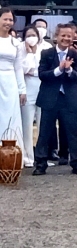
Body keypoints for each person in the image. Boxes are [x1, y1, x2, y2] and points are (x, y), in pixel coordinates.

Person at [32, 24, 77, 175]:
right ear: (56, 36)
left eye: (69, 36)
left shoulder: (76, 55)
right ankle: (41, 163)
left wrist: (69, 70)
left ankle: (76, 162)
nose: (66, 38)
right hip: (50, 97)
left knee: (73, 131)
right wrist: (59, 70)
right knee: (45, 131)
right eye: (63, 35)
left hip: (69, 97)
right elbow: (42, 74)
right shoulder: (47, 53)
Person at [0, 8, 26, 146]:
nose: (8, 22)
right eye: (5, 19)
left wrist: (22, 90)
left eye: (11, 20)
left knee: (11, 116)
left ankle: (11, 155)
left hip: (10, 83)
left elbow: (18, 68)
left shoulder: (16, 43)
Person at [20, 26, 46, 166]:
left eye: (33, 35)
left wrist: (33, 69)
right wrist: (30, 54)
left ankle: (42, 157)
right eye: (28, 35)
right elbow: (24, 69)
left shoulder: (44, 50)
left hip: (42, 90)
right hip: (27, 91)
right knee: (27, 126)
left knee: (43, 125)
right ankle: (28, 157)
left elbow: (40, 70)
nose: (31, 37)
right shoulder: (20, 50)